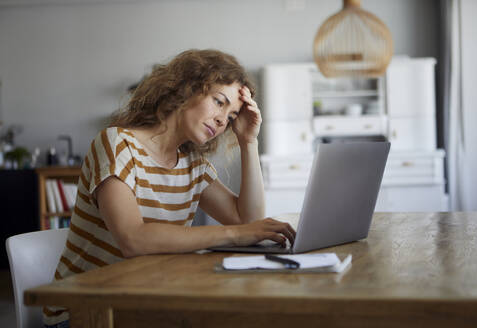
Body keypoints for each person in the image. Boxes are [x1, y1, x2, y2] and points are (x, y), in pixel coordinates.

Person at [43, 49, 296, 327]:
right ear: (186, 89)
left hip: (143, 305)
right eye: (219, 102)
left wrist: (249, 142)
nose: (223, 120)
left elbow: (249, 222)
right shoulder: (117, 144)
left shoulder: (192, 164)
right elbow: (133, 239)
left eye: (232, 116)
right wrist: (234, 234)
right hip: (84, 313)